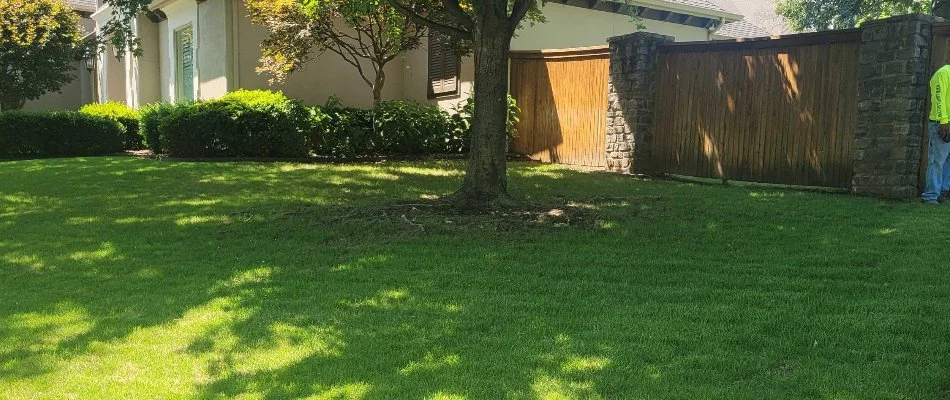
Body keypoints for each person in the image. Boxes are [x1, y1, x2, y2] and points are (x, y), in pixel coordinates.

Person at [923, 64, 950, 204]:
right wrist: (944, 122)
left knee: (948, 161)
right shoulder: (943, 73)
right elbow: (938, 98)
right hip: (941, 124)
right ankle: (930, 195)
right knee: (937, 161)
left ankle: (943, 194)